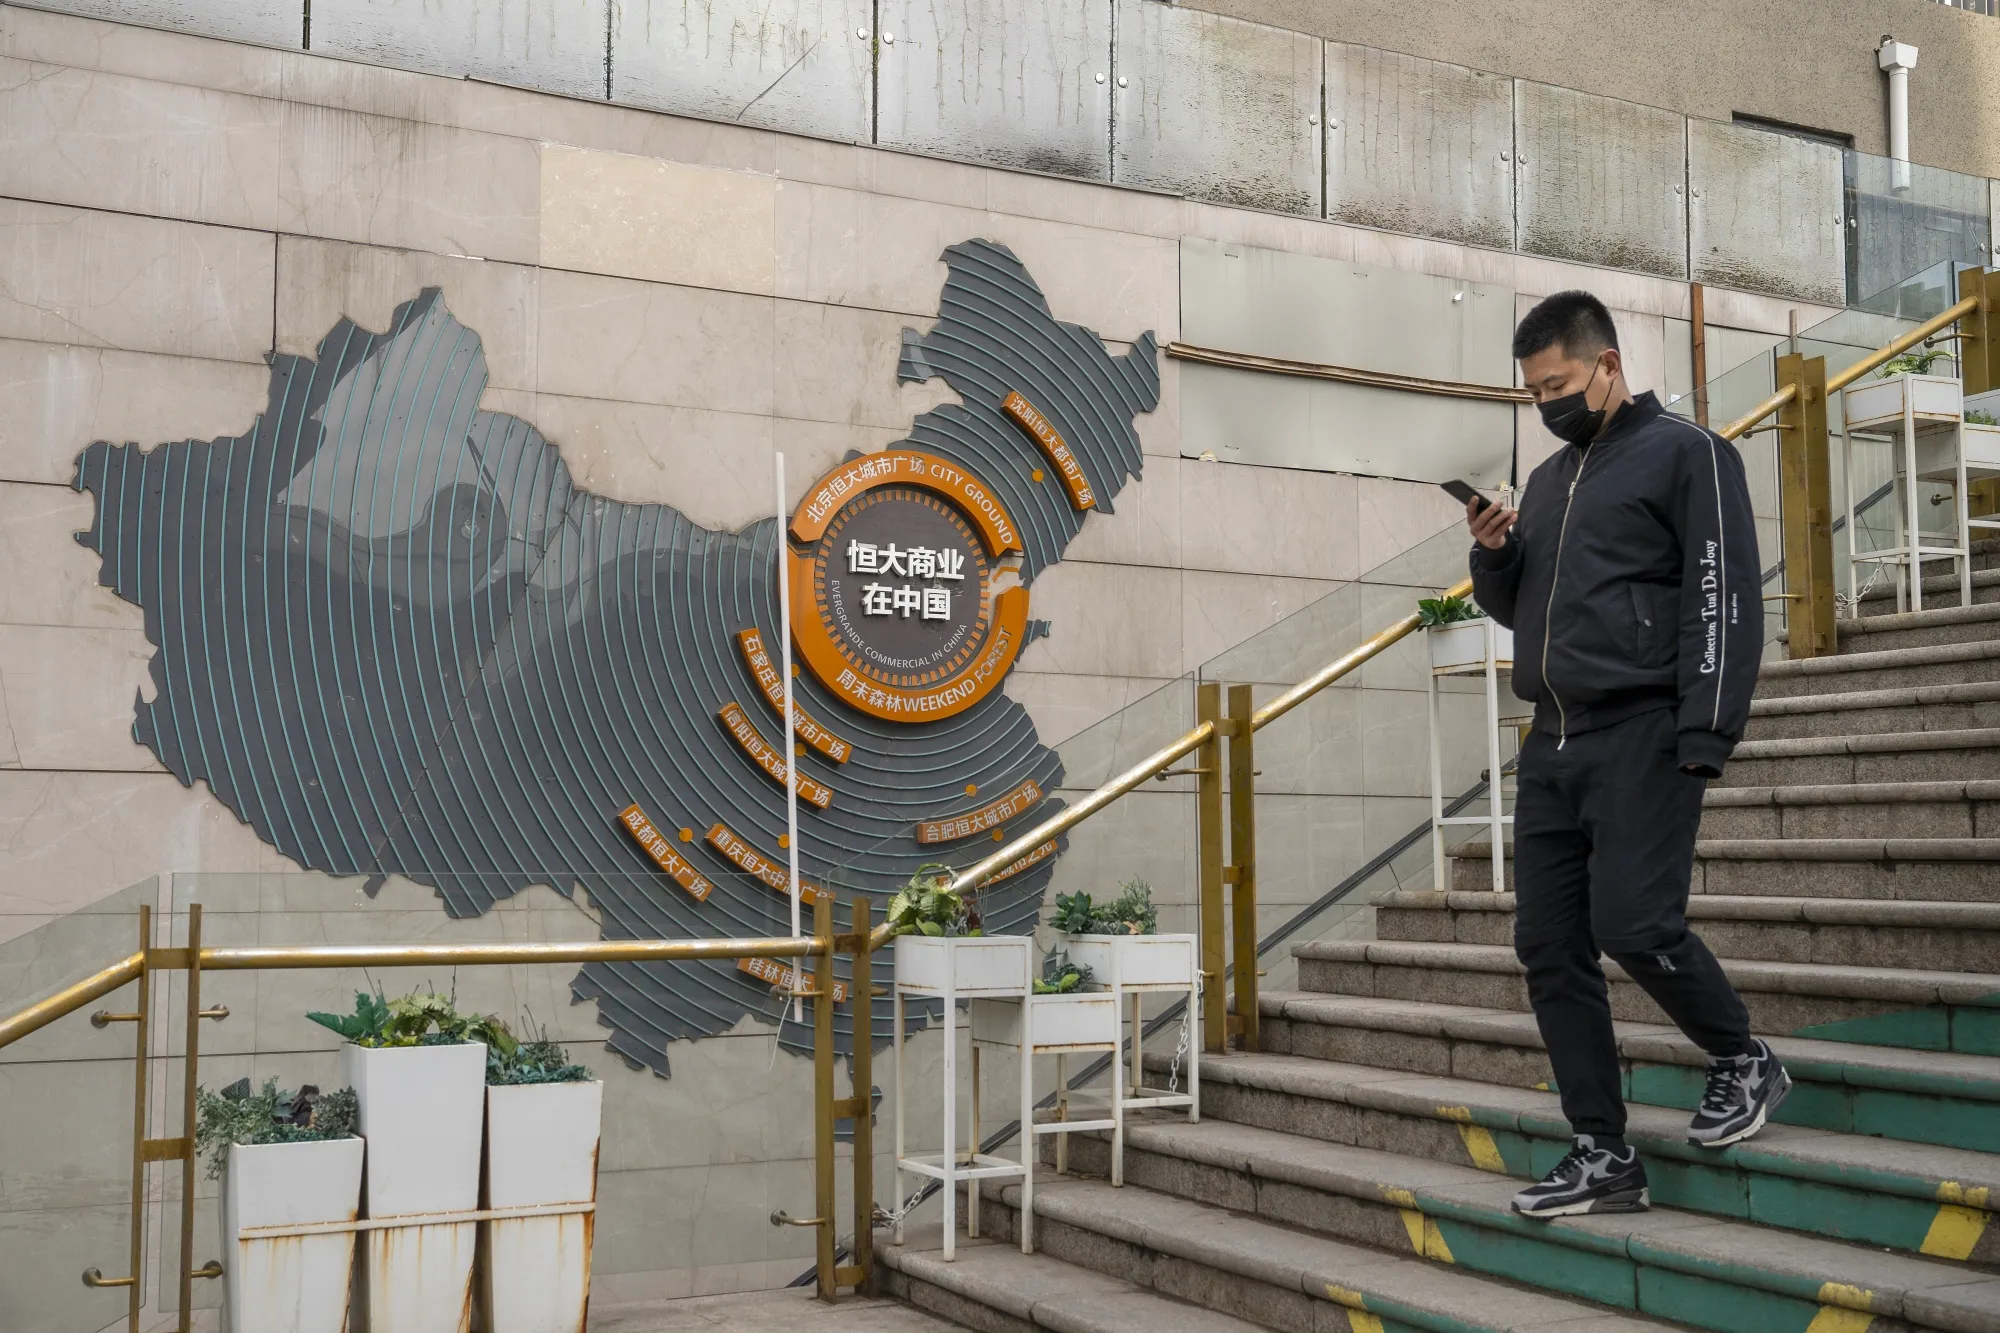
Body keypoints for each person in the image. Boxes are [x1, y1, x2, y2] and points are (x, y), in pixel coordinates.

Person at [1466, 290, 1789, 1219]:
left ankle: (1744, 1055)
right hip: (1554, 740)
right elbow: (1526, 613)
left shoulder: (1690, 455)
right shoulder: (1560, 479)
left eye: (1557, 385)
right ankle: (1603, 1152)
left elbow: (1724, 596)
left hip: (1644, 732)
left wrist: (1705, 732)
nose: (1547, 405)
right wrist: (1495, 556)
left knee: (1636, 924)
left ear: (1607, 364)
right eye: (1533, 394)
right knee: (1547, 946)